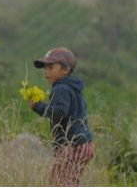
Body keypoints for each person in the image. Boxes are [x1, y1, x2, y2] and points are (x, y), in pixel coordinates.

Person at [28, 47, 94, 186]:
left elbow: (58, 113)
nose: (46, 72)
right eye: (45, 68)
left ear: (65, 70)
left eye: (51, 67)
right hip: (82, 144)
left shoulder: (61, 88)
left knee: (59, 183)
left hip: (72, 145)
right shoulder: (72, 88)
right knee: (69, 182)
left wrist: (38, 106)